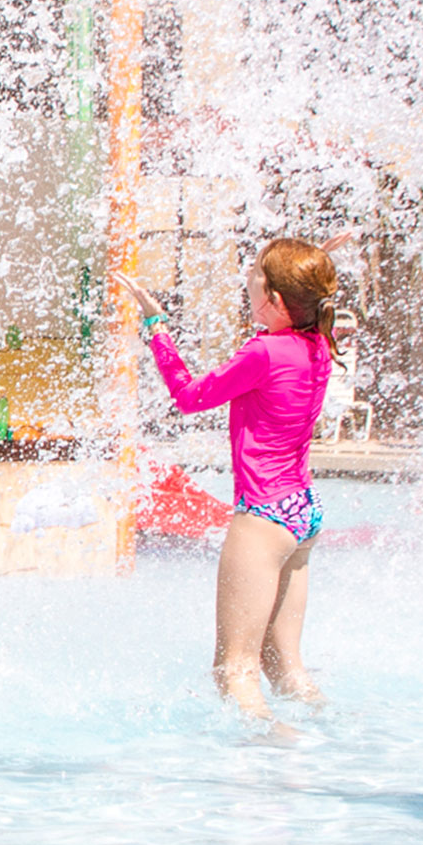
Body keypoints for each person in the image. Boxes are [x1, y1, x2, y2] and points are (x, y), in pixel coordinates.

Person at [131, 240, 337, 723]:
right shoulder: (321, 343)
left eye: (254, 280)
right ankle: (332, 743)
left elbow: (188, 396)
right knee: (285, 668)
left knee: (234, 670)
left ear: (278, 301)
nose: (246, 284)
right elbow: (302, 306)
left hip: (263, 517)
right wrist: (316, 260)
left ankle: (268, 760)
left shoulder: (264, 352)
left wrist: (155, 327)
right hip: (303, 513)